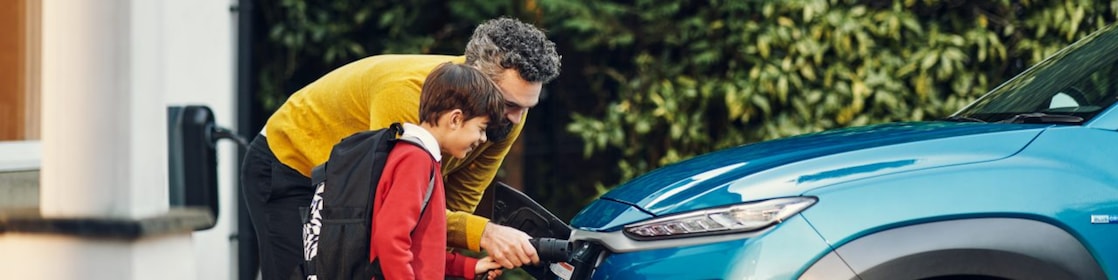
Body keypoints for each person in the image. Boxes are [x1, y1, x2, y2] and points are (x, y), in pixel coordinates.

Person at [240, 17, 561, 279]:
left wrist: (462, 265)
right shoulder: (411, 99)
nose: (516, 119)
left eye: (526, 107)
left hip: (353, 188)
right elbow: (384, 212)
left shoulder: (506, 118)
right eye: (508, 104)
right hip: (290, 163)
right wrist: (486, 233)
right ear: (470, 87)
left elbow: (448, 209)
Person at [372, 63, 505, 279]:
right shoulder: (415, 160)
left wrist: (468, 267)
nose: (482, 139)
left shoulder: (423, 158)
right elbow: (390, 239)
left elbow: (420, 248)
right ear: (455, 119)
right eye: (481, 129)